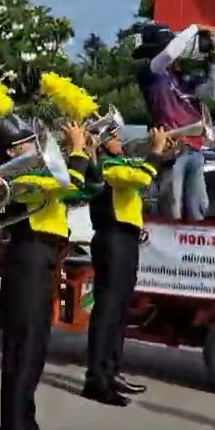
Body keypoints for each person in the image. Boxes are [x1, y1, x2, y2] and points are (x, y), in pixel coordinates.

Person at [0, 114, 89, 430]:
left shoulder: (38, 172)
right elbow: (69, 182)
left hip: (43, 260)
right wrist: (76, 149)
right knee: (21, 354)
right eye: (29, 143)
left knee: (36, 351)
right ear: (14, 150)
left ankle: (28, 428)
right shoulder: (20, 176)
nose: (37, 147)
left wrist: (86, 150)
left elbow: (83, 188)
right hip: (27, 259)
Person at [83, 125, 166, 406]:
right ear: (105, 145)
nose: (122, 142)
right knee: (107, 309)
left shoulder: (120, 163)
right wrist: (155, 150)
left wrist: (167, 150)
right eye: (116, 139)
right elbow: (143, 177)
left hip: (126, 239)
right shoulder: (107, 167)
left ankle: (111, 371)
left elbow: (149, 170)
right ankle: (95, 379)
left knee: (119, 310)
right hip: (113, 237)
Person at [134, 23, 215, 221]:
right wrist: (192, 28)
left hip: (194, 148)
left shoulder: (182, 77)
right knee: (172, 207)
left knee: (198, 208)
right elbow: (167, 55)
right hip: (171, 150)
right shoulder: (150, 73)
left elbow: (212, 92)